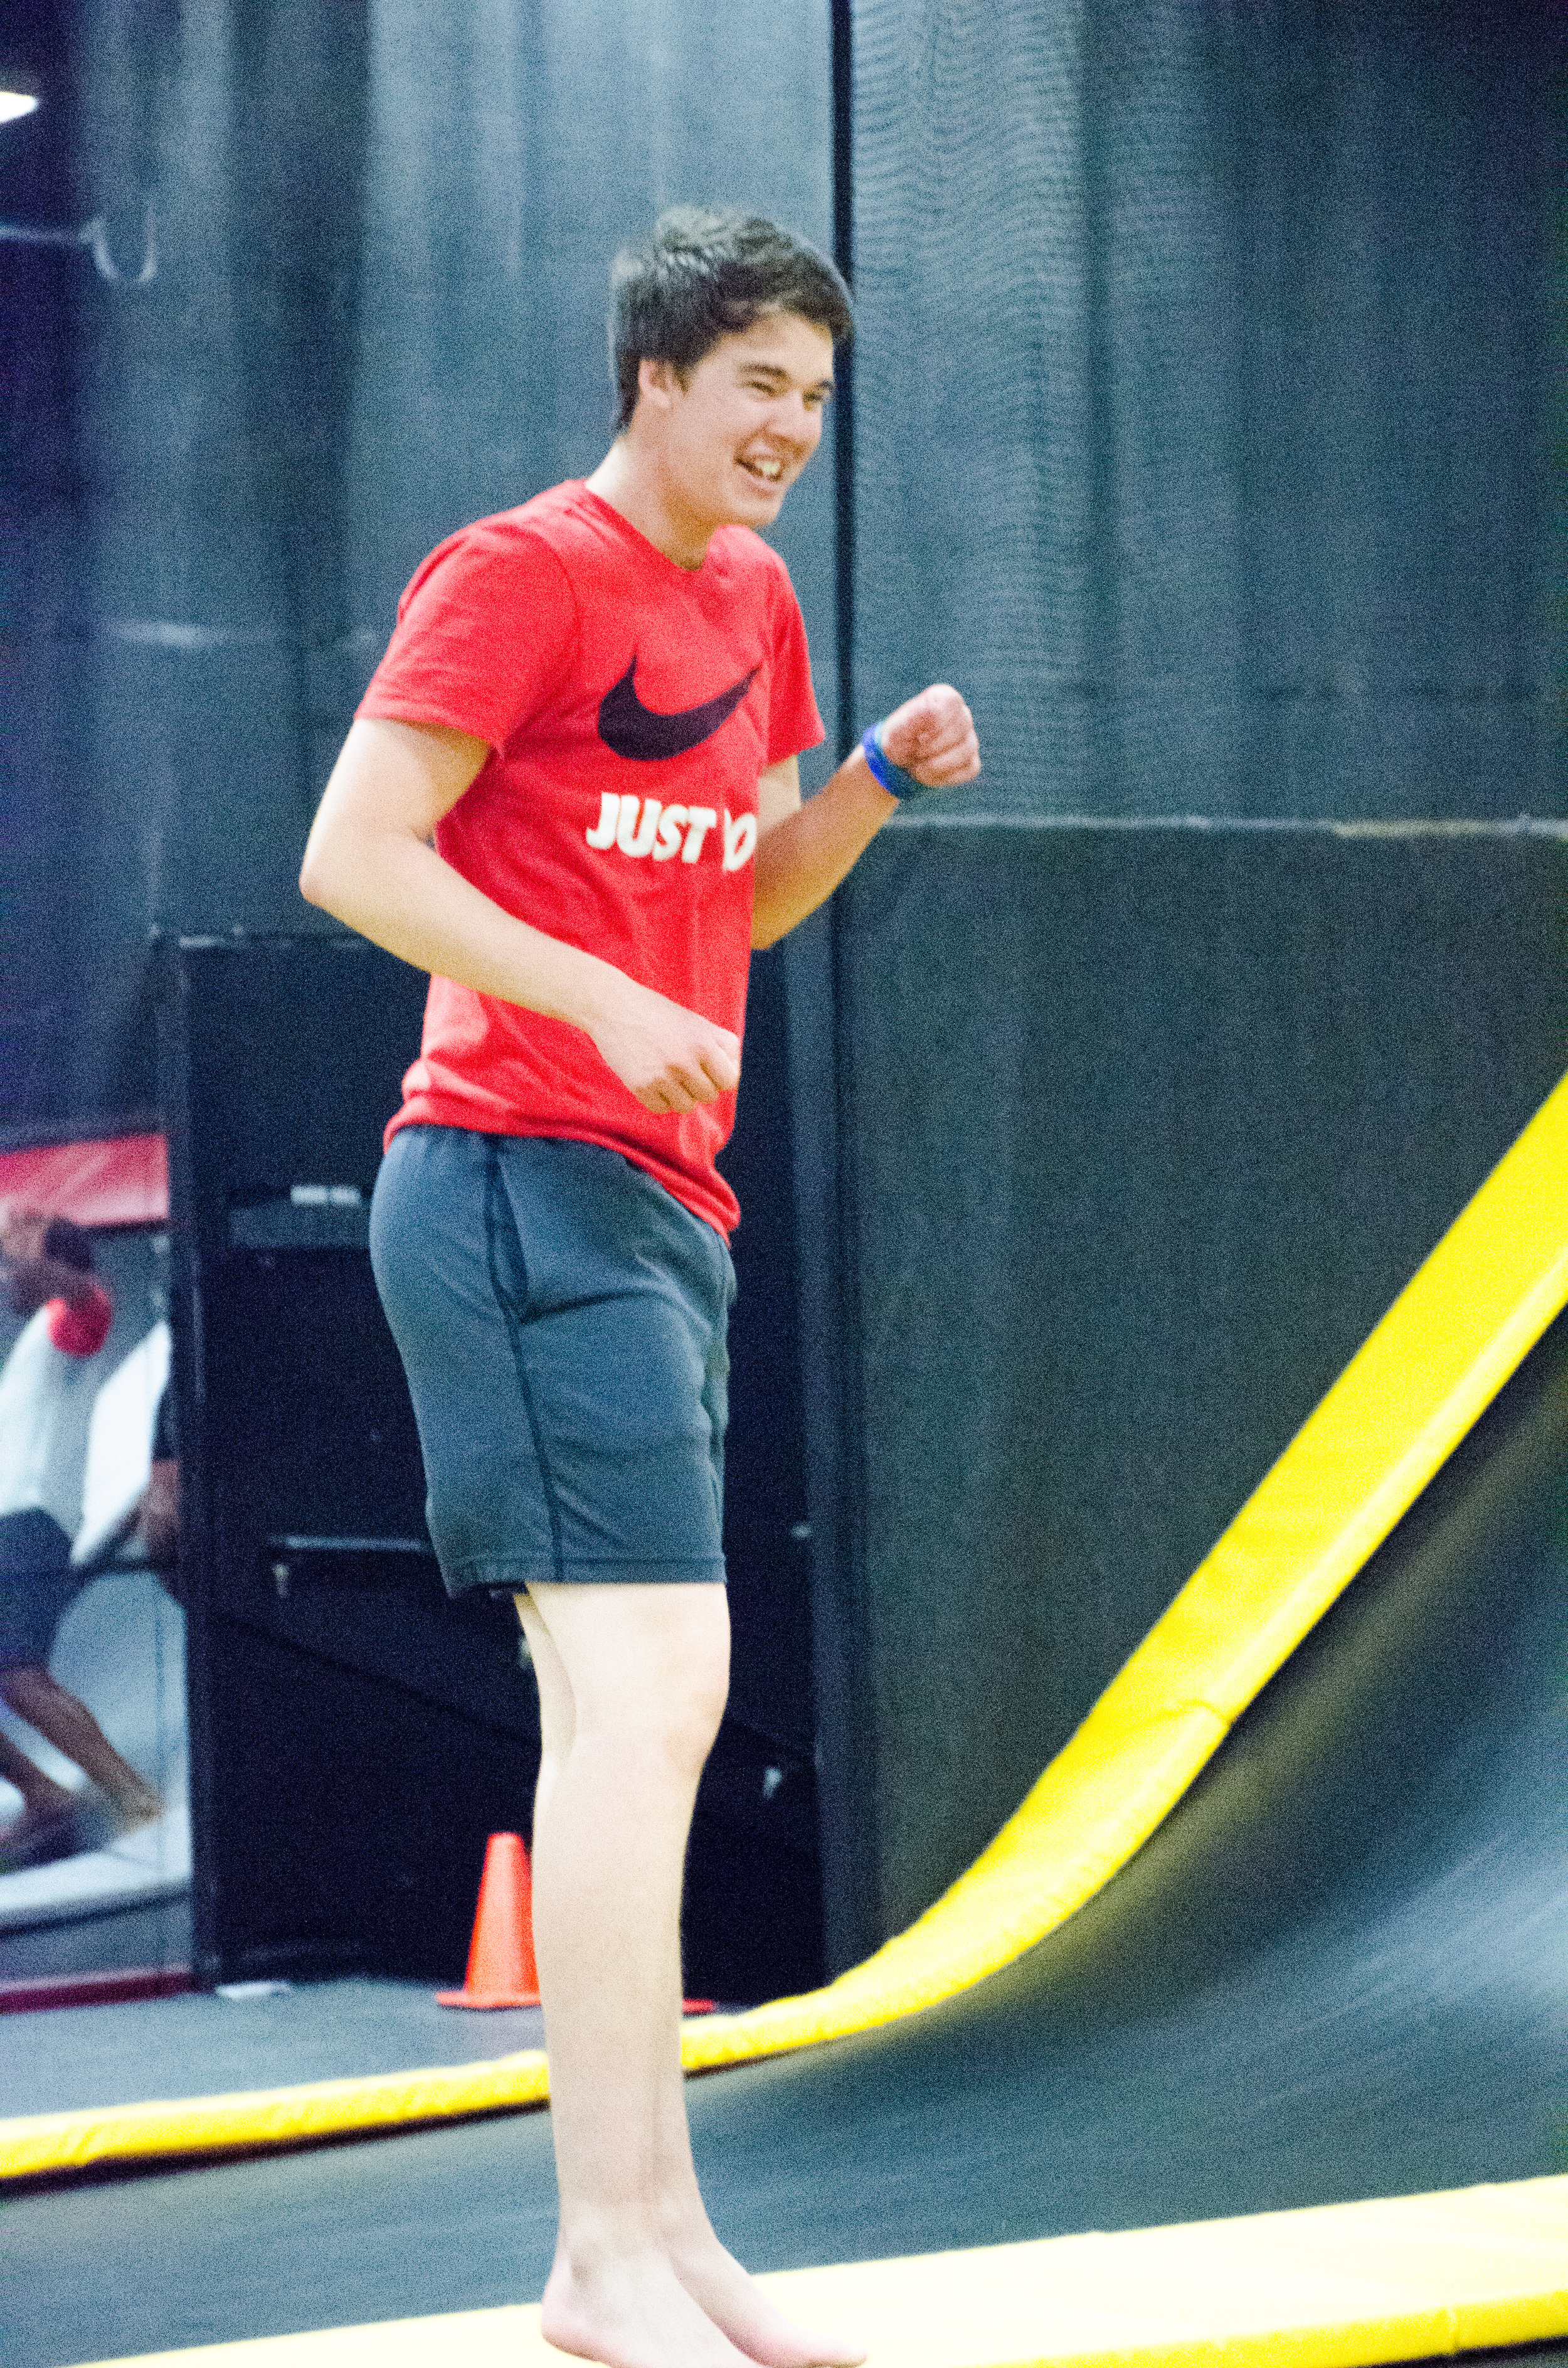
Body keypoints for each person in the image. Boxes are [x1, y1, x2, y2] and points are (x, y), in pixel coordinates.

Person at [300, 206, 980, 2368]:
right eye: (760, 383)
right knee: (646, 1704)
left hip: (657, 1202)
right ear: (656, 376)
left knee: (636, 1720)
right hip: (511, 1178)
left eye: (816, 397)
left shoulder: (752, 600)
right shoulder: (518, 573)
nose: (792, 428)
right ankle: (603, 2250)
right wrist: (591, 1001)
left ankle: (663, 2242)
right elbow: (354, 855)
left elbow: (749, 897)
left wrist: (872, 775)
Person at [0, 1208, 164, 1864]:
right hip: (12, 1522)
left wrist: (38, 1257)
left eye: (10, 1264)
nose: (4, 1278)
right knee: (16, 1677)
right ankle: (45, 1797)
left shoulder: (69, 1322)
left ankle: (130, 1793)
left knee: (20, 1676)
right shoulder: (34, 1344)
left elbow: (87, 1294)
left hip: (31, 1525)